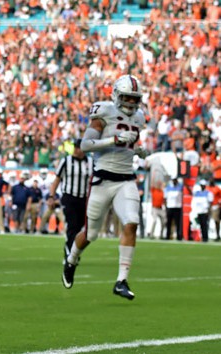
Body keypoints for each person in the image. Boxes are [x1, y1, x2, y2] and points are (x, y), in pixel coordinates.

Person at [62, 74, 147, 300]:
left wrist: (139, 150)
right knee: (90, 234)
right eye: (127, 97)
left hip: (126, 178)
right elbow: (86, 144)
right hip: (102, 179)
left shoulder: (139, 117)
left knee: (131, 223)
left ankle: (121, 280)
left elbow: (131, 142)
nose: (130, 103)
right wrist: (114, 140)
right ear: (117, 95)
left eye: (134, 98)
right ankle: (71, 260)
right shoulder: (104, 112)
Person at [49, 138, 93, 257]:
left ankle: (71, 250)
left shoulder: (90, 162)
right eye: (75, 147)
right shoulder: (66, 161)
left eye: (78, 147)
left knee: (80, 229)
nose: (76, 150)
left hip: (84, 199)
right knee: (72, 226)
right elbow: (57, 180)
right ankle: (70, 254)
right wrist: (51, 196)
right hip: (69, 198)